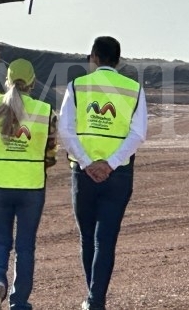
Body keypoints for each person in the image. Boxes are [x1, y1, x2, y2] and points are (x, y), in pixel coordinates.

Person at [59, 36, 148, 310]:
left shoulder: (77, 86)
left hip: (83, 175)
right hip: (118, 176)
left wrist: (87, 163)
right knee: (105, 240)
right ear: (118, 61)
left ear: (94, 58)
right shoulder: (133, 89)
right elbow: (138, 134)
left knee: (88, 238)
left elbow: (65, 130)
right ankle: (95, 300)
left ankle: (94, 300)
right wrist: (111, 163)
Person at [0, 47, 58, 310]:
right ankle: (20, 301)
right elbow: (50, 153)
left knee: (0, 240)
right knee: (25, 247)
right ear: (33, 83)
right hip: (31, 187)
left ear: (9, 81)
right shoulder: (45, 111)